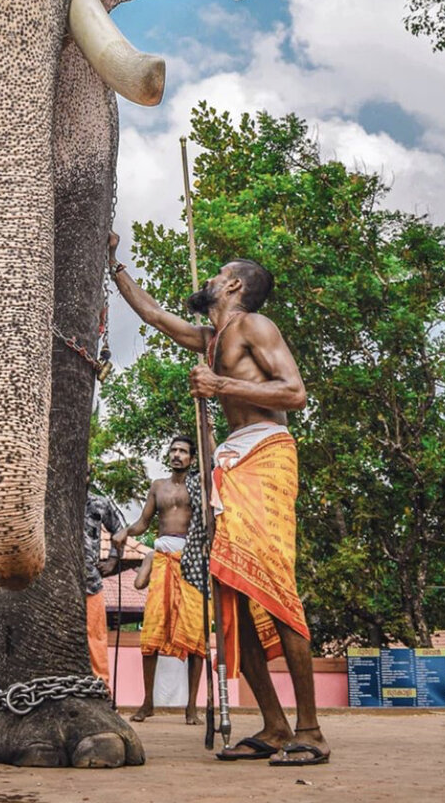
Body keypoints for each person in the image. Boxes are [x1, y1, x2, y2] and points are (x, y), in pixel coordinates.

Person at [107, 237, 330, 767]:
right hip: (228, 464)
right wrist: (113, 266)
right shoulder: (211, 338)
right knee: (234, 594)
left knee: (274, 585)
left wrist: (219, 384)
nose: (207, 278)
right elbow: (155, 316)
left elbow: (294, 393)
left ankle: (311, 730)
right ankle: (274, 727)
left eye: (217, 273)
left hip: (266, 455)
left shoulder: (255, 327)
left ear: (233, 285)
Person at [114, 435, 207, 725]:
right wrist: (125, 531)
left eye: (183, 451)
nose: (177, 455)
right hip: (163, 559)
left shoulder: (199, 485)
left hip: (191, 562)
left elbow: (211, 515)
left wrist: (209, 434)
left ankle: (192, 707)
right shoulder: (158, 486)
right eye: (173, 450)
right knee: (152, 632)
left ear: (192, 458)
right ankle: (148, 703)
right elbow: (143, 522)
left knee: (195, 635)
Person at [84, 473, 125, 689]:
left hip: (90, 581)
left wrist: (112, 560)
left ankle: (101, 687)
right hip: (59, 584)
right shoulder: (54, 501)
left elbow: (120, 530)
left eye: (87, 473)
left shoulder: (100, 503)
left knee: (96, 635)